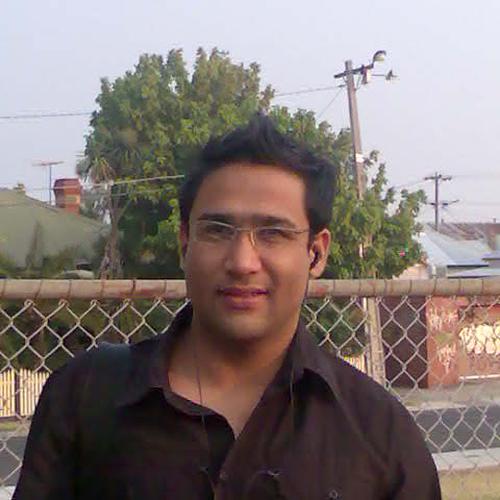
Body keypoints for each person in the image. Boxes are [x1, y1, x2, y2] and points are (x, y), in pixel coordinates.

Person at [14, 115, 441, 499]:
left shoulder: (379, 436)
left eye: (273, 233)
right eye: (218, 230)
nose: (242, 262)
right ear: (185, 242)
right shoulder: (86, 397)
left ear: (316, 252)